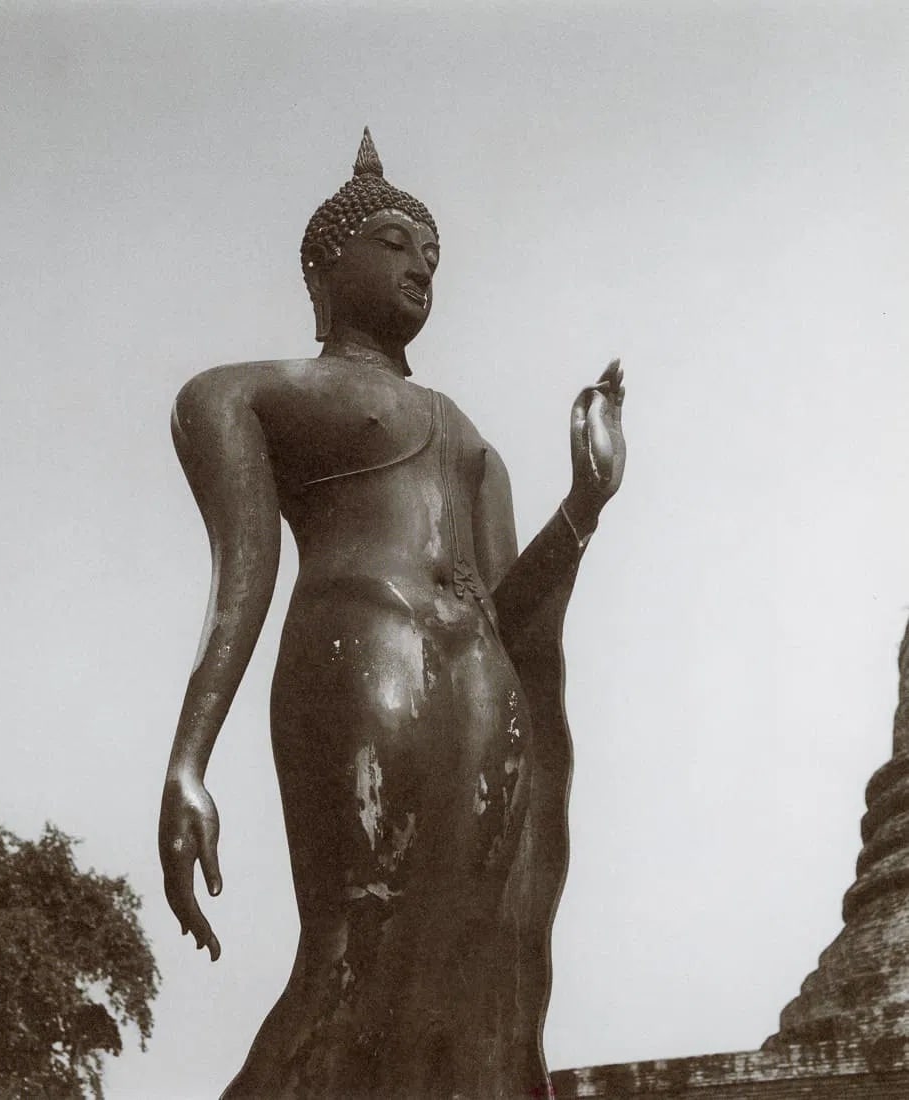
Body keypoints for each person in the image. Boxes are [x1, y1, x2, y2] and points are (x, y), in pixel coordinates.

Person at [159, 129, 626, 1098]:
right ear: (324, 263)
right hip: (360, 668)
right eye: (393, 239)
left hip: (478, 702)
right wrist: (187, 758)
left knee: (462, 976)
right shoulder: (244, 394)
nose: (419, 262)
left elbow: (507, 614)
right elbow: (238, 577)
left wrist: (581, 507)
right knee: (353, 951)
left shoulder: (470, 438)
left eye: (433, 252)